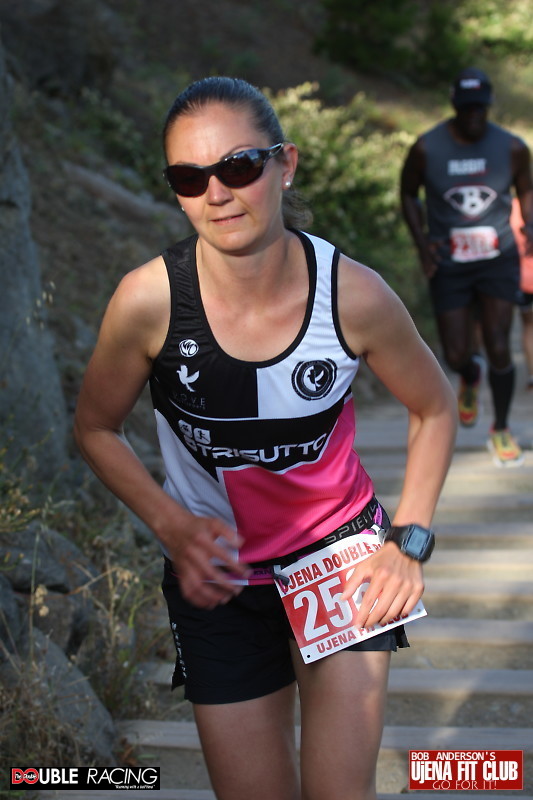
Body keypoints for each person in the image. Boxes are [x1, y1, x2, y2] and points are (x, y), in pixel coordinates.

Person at [74, 76, 457, 800]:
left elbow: (434, 407)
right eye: (189, 178)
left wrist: (408, 541)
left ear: (285, 164)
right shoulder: (148, 301)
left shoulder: (353, 294)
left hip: (337, 561)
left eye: (239, 166)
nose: (217, 193)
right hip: (218, 575)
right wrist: (173, 527)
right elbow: (95, 427)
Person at [400, 66, 533, 467]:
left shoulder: (512, 147)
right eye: (466, 107)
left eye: (480, 107)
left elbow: (527, 189)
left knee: (498, 344)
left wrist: (529, 225)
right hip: (449, 262)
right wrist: (423, 245)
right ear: (455, 105)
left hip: (498, 258)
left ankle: (501, 428)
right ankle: (469, 374)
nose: (474, 114)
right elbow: (408, 194)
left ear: (489, 105)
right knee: (456, 353)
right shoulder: (427, 148)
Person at [510, 197, 533, 389]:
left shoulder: (512, 207)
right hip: (524, 278)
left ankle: (532, 374)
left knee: (529, 326)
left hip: (522, 279)